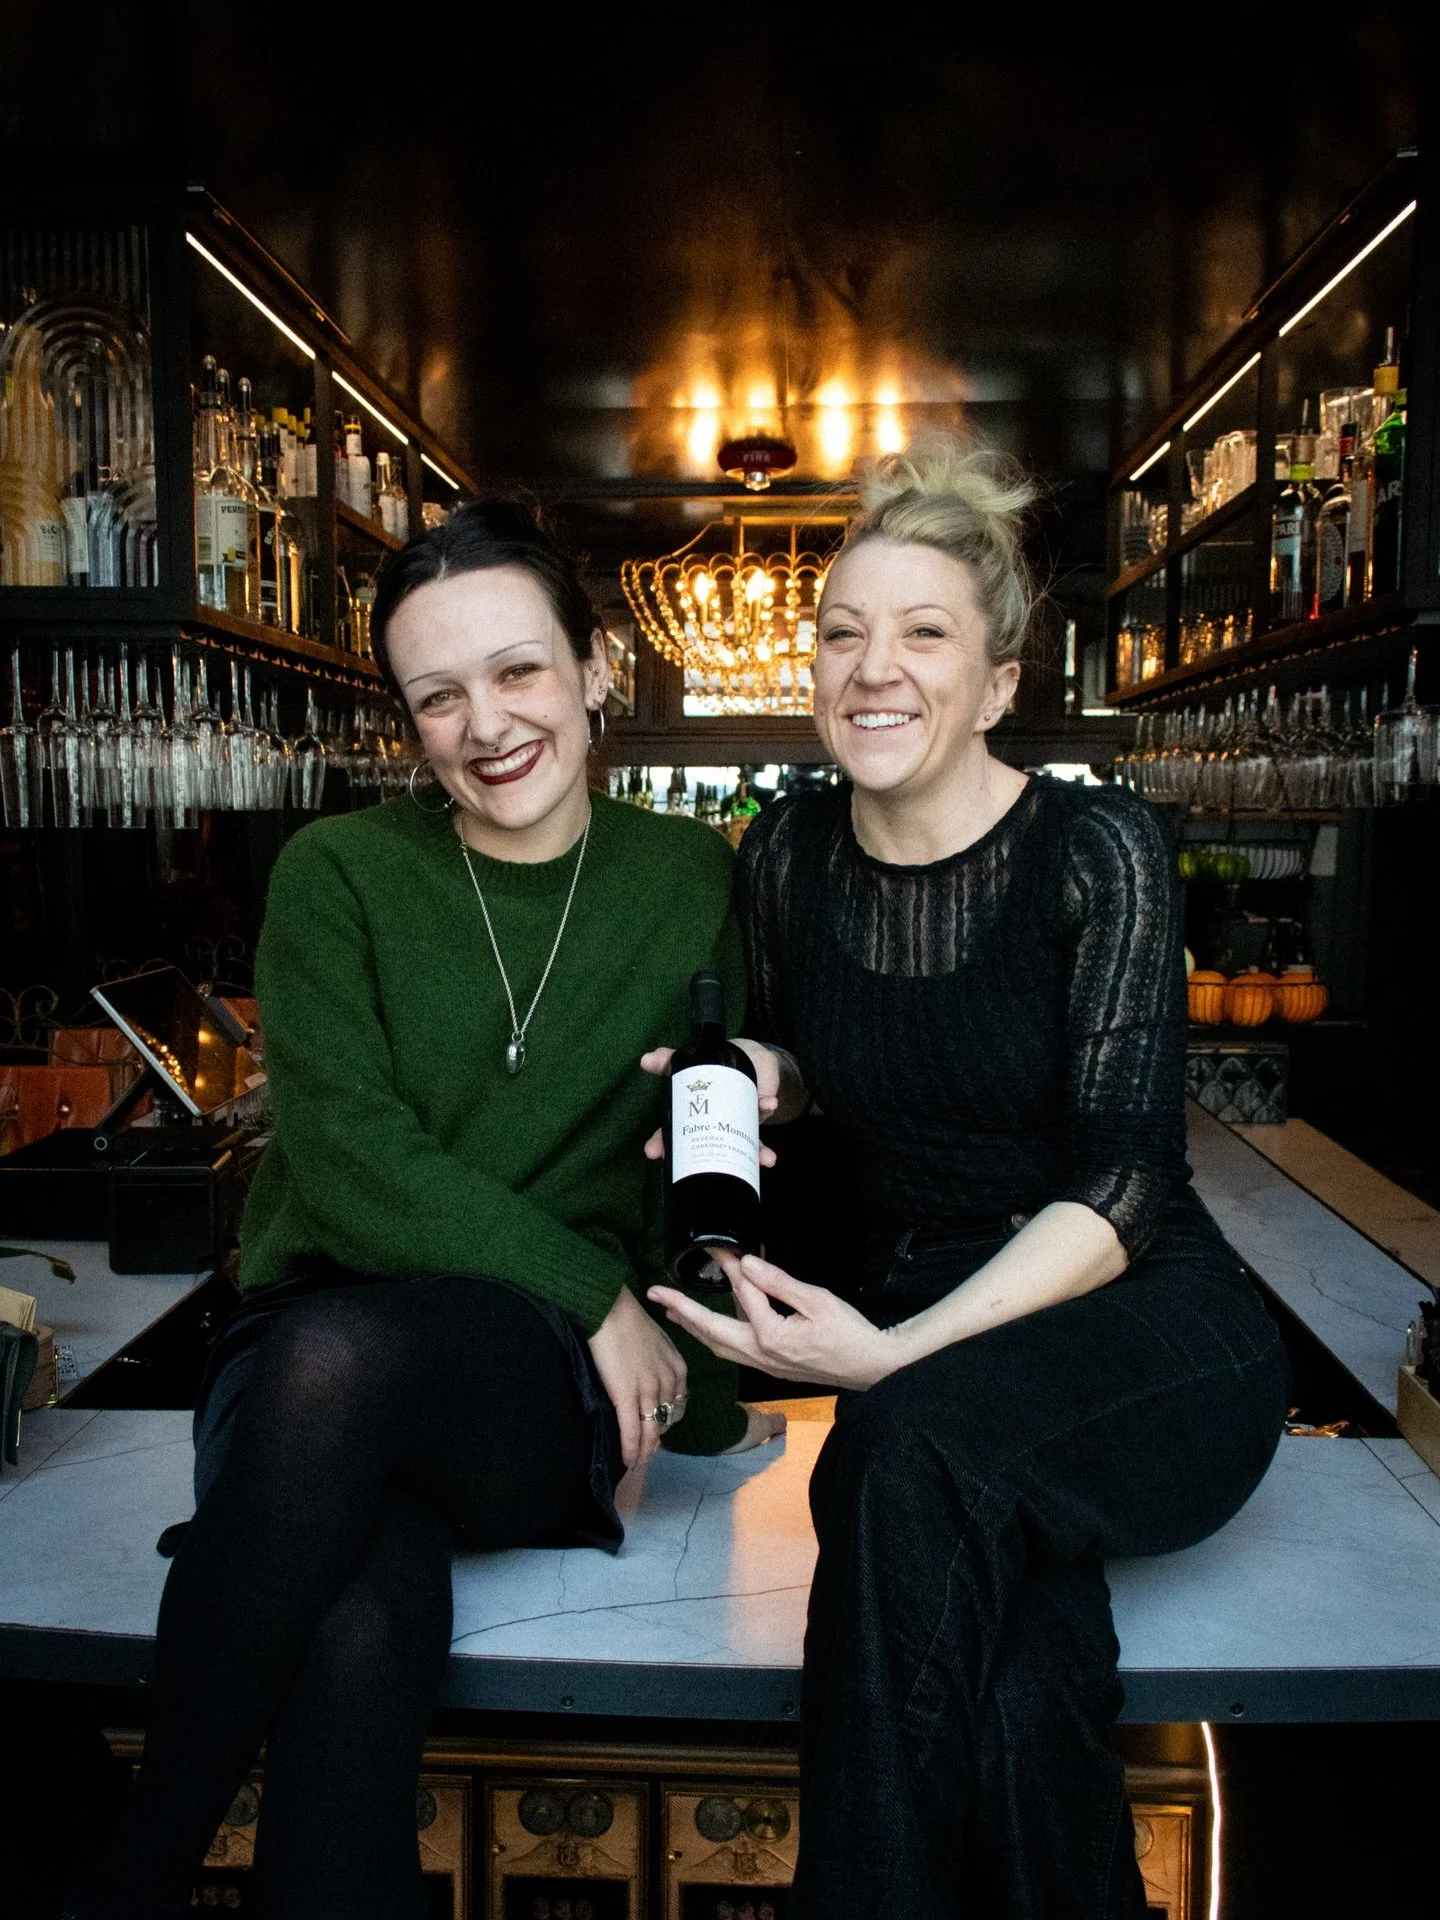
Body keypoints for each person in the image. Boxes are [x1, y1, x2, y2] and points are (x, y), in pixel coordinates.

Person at [71, 501, 781, 1920]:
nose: (486, 724)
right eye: (438, 695)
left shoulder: (694, 881)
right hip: (310, 1370)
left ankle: (122, 1888)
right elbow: (344, 1163)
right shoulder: (340, 874)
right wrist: (600, 1299)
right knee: (359, 1611)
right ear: (407, 720)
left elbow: (730, 1146)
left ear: (595, 668)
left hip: (522, 1377)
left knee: (345, 1368)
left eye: (519, 671)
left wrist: (779, 1092)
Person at [647, 437, 1289, 1920]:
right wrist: (761, 1079)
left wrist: (894, 1360)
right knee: (1019, 1664)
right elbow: (824, 1076)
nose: (872, 668)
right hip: (944, 1347)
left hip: (1145, 1324)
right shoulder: (789, 853)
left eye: (923, 633)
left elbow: (1126, 1183)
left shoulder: (1095, 848)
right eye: (843, 632)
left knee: (906, 1450)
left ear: (1000, 682)